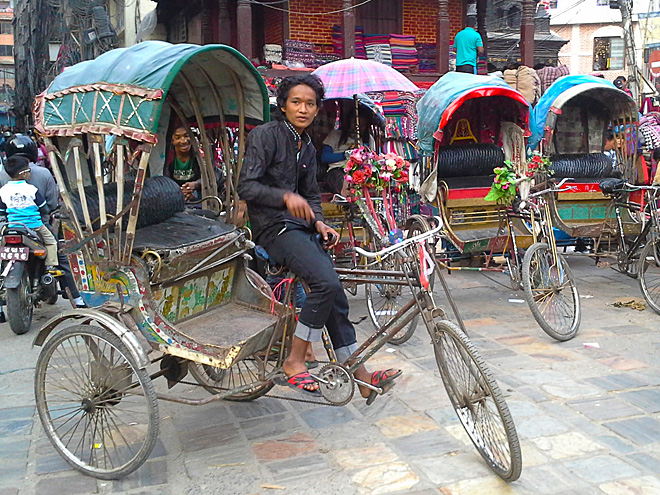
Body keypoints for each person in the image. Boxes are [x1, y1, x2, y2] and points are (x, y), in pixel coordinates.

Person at [237, 74, 401, 401]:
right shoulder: (265, 136)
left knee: (334, 289)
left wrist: (321, 223)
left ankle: (359, 371)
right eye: (296, 102)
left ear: (316, 109)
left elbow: (311, 195)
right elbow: (246, 187)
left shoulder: (308, 146)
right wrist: (285, 197)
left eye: (310, 103)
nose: (303, 109)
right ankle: (295, 360)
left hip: (300, 228)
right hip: (273, 228)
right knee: (326, 285)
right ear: (283, 105)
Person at [0, 134, 86, 308]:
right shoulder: (43, 173)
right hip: (37, 225)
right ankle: (76, 297)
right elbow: (51, 204)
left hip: (7, 226)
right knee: (60, 255)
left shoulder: (2, 175)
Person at [0, 156, 58, 270]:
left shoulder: (3, 191)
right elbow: (44, 208)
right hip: (34, 226)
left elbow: (2, 211)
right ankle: (50, 268)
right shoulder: (32, 189)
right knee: (51, 242)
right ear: (24, 174)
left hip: (12, 226)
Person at [321, 105, 373, 194]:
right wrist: (346, 154)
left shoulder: (367, 139)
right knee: (343, 181)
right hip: (337, 170)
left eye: (362, 125)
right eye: (356, 124)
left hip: (359, 170)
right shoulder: (335, 135)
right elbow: (324, 157)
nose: (359, 127)